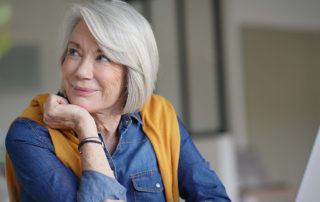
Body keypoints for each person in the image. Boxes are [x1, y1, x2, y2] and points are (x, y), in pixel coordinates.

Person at [5, 0, 231, 201]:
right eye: (74, 52)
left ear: (132, 73)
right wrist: (85, 126)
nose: (82, 71)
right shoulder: (30, 134)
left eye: (102, 57)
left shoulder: (160, 118)